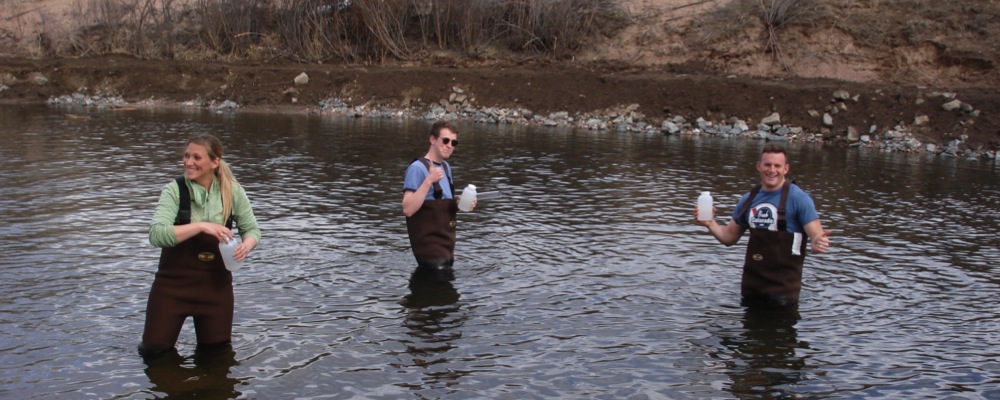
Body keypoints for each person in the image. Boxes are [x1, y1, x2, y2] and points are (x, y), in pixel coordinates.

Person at [140, 134, 261, 357]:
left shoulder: (233, 192)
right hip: (171, 289)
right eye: (186, 156)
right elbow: (156, 235)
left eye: (196, 157)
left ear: (214, 163)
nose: (188, 162)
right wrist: (201, 226)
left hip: (216, 290)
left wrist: (246, 246)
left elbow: (252, 230)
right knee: (153, 353)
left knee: (217, 357)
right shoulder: (174, 190)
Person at [696, 143, 830, 306]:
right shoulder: (748, 199)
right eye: (767, 165)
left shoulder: (799, 199)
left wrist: (817, 243)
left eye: (777, 166)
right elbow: (729, 237)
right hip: (751, 290)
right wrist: (710, 223)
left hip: (783, 295)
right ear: (759, 166)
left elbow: (816, 235)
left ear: (786, 169)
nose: (772, 170)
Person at [402, 121, 474, 284]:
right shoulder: (417, 168)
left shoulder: (446, 168)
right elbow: (407, 208)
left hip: (447, 253)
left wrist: (461, 203)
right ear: (432, 140)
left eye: (454, 143)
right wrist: (428, 181)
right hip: (430, 257)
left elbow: (440, 202)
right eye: (445, 141)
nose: (450, 146)